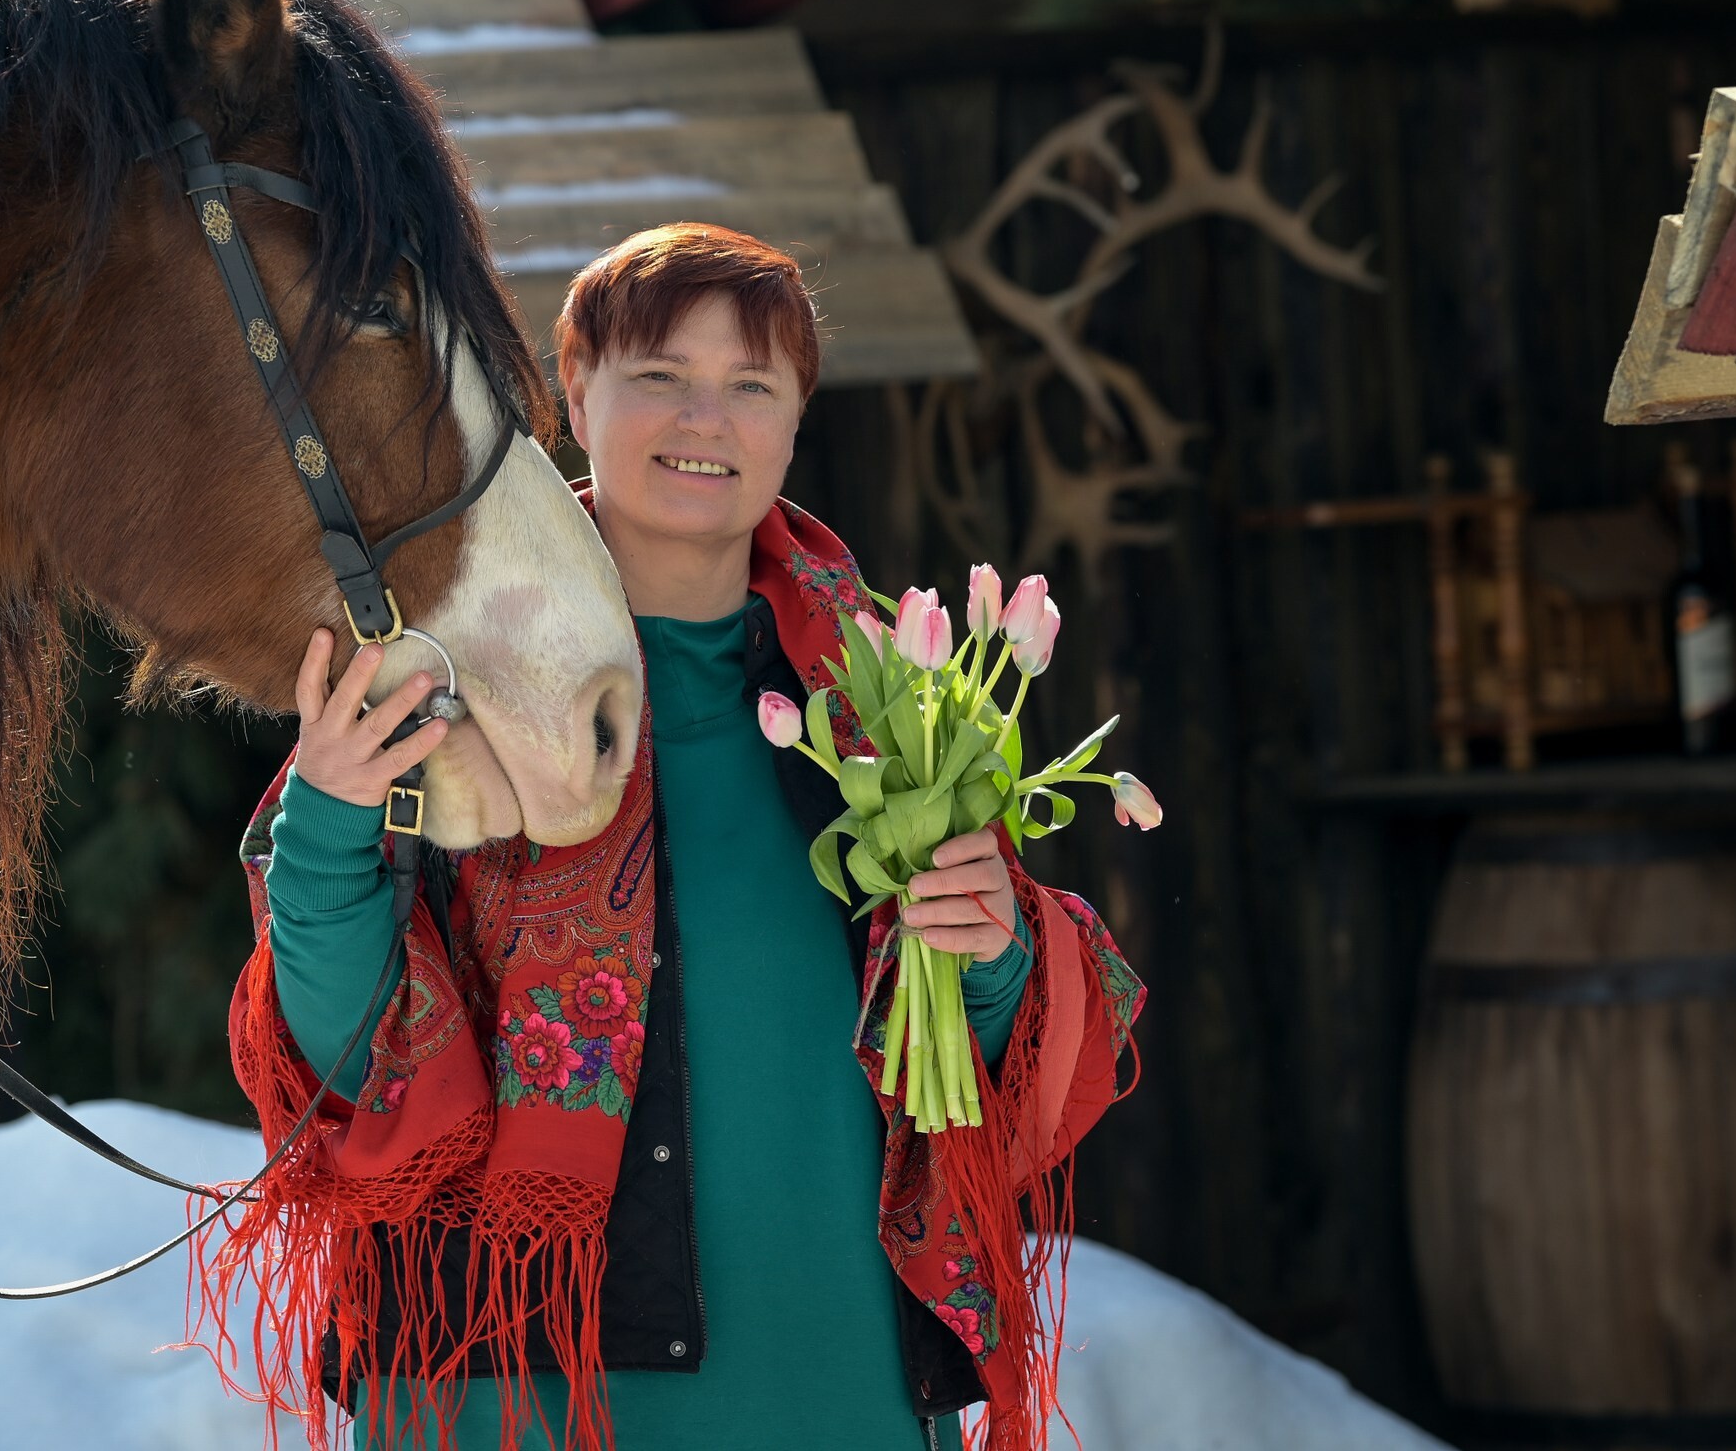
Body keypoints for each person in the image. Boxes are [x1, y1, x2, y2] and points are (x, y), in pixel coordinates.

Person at [199, 224, 1144, 1451]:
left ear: (793, 420)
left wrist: (1000, 949)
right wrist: (327, 814)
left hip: (835, 1389)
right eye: (659, 374)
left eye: (751, 383)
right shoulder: (439, 677)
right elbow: (340, 1051)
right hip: (515, 1393)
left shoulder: (891, 705)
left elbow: (995, 1074)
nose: (707, 418)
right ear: (572, 390)